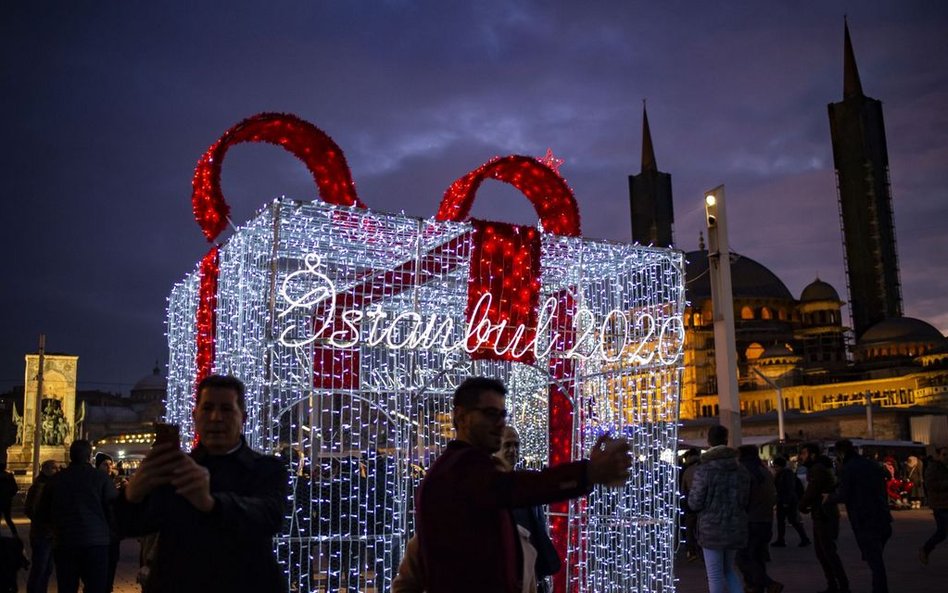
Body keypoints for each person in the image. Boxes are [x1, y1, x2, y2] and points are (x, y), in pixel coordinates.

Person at [415, 376, 631, 593]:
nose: (499, 423)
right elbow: (519, 487)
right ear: (461, 417)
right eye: (490, 414)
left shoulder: (464, 467)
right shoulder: (459, 468)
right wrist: (587, 473)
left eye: (502, 414)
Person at [115, 374, 288, 593]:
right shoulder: (173, 469)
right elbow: (130, 526)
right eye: (207, 409)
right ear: (195, 416)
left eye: (226, 409)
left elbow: (269, 516)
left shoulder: (266, 468)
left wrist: (212, 503)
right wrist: (132, 495)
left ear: (243, 418)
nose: (216, 418)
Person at [34, 439, 118, 593]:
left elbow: (42, 512)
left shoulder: (56, 480)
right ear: (89, 456)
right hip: (96, 543)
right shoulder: (101, 478)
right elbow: (114, 509)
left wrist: (54, 531)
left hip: (66, 541)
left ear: (71, 456)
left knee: (67, 586)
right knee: (96, 586)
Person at [494, 426, 562, 593]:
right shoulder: (490, 489)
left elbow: (539, 529)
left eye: (516, 445)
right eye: (508, 445)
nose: (513, 450)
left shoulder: (524, 485)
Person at [687, 424, 750, 593]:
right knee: (729, 570)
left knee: (714, 575)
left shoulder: (704, 469)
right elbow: (745, 499)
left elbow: (694, 503)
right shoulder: (740, 469)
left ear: (709, 441)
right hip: (735, 526)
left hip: (711, 529)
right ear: (726, 439)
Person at [825, 439, 892, 593]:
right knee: (875, 558)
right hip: (882, 515)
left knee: (875, 561)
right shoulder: (871, 464)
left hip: (864, 517)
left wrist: (829, 498)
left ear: (841, 453)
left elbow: (844, 494)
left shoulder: (849, 468)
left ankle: (880, 589)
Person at [798, 442, 848, 593]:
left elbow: (813, 490)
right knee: (823, 552)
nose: (801, 457)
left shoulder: (817, 469)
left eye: (804, 453)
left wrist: (802, 505)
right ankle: (834, 584)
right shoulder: (822, 467)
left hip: (824, 514)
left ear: (812, 454)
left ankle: (842, 585)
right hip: (823, 513)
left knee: (827, 552)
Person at [735, 445, 782, 593]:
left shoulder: (744, 471)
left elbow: (742, 498)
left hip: (750, 520)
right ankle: (756, 586)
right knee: (757, 557)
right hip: (765, 519)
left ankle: (768, 583)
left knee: (743, 557)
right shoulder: (764, 471)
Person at [24, 460, 60, 593]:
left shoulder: (51, 485)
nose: (57, 471)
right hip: (42, 533)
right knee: (40, 567)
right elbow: (30, 509)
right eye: (54, 468)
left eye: (58, 468)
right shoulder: (39, 486)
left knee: (47, 568)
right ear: (45, 470)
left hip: (49, 533)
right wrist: (44, 522)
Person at [94, 453, 121, 593]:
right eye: (105, 464)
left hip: (113, 533)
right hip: (99, 532)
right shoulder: (95, 482)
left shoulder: (115, 482)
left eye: (111, 464)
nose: (109, 467)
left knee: (111, 566)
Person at [771, 456, 809, 547]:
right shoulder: (784, 473)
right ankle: (781, 539)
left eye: (776, 466)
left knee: (792, 520)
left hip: (787, 500)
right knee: (783, 521)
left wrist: (786, 502)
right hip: (784, 500)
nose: (775, 468)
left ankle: (804, 538)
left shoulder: (786, 473)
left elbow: (789, 488)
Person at [919, 446, 947, 565]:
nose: (947, 458)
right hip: (940, 505)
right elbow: (931, 485)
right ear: (938, 455)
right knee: (942, 532)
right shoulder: (933, 468)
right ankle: (926, 549)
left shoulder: (945, 467)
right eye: (944, 455)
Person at [680, 448, 702, 562]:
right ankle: (702, 550)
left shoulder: (686, 469)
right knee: (701, 528)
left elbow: (683, 489)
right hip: (704, 505)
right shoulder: (704, 468)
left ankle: (691, 551)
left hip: (690, 503)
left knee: (689, 528)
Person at [0, 461, 18, 538]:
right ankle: (15, 534)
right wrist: (10, 495)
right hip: (7, 500)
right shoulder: (9, 477)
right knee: (8, 519)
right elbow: (15, 488)